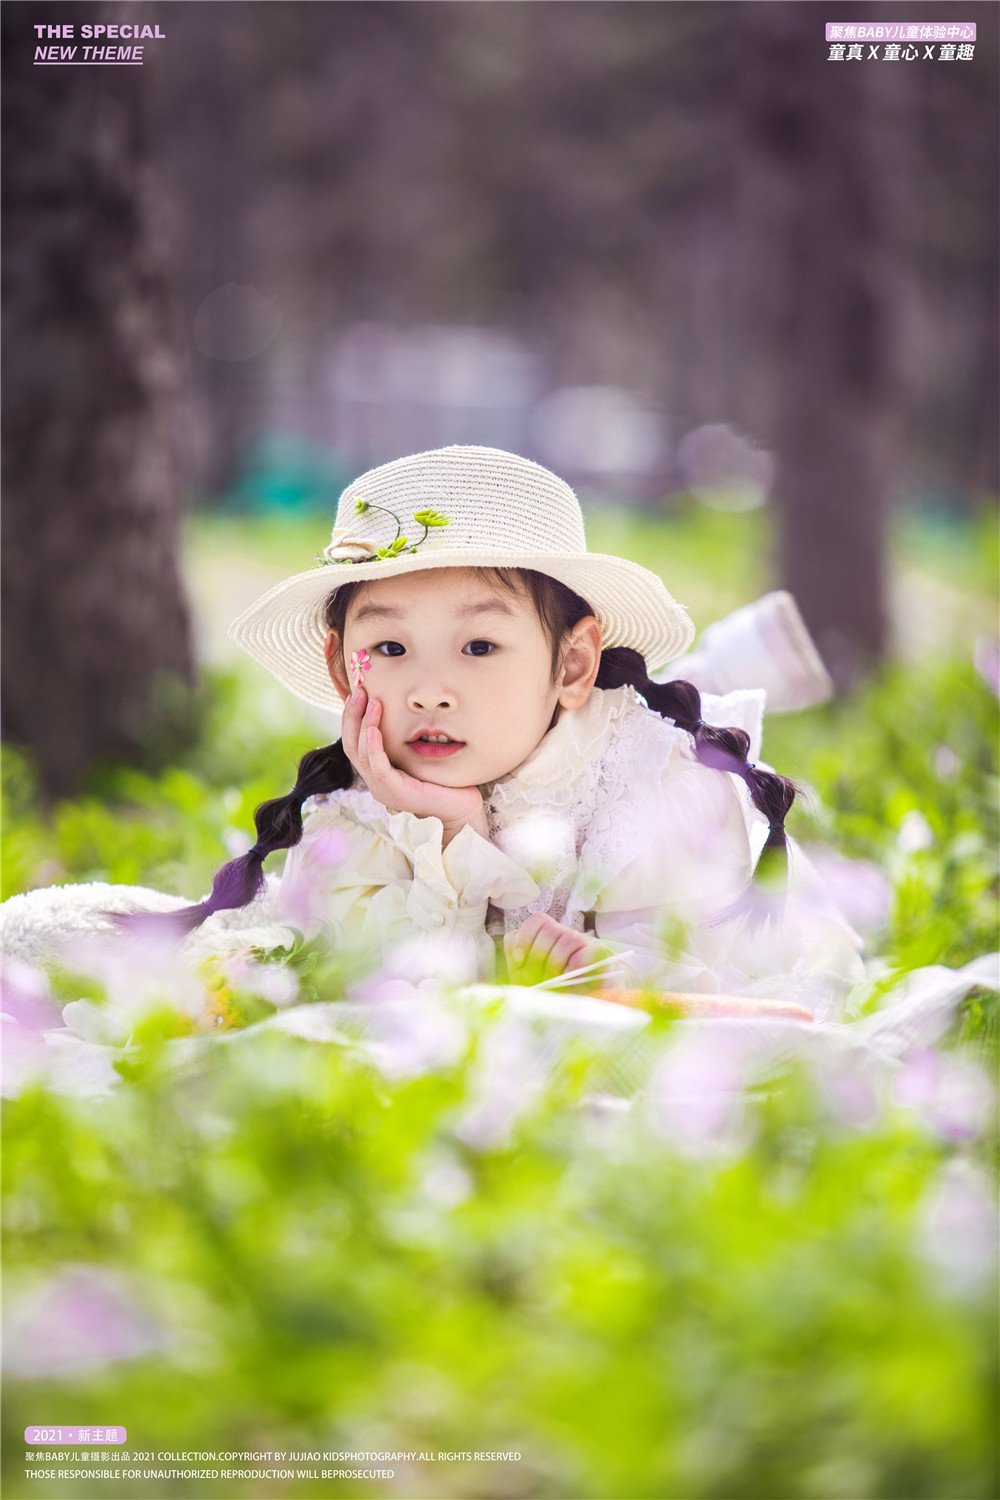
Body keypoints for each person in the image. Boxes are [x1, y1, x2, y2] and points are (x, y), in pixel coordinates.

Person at [1, 445, 863, 1014]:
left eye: (479, 646)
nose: (430, 691)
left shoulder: (648, 785)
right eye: (389, 648)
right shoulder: (359, 813)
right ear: (344, 668)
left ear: (571, 664)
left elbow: (718, 989)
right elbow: (371, 988)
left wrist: (599, 973)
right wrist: (446, 828)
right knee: (53, 939)